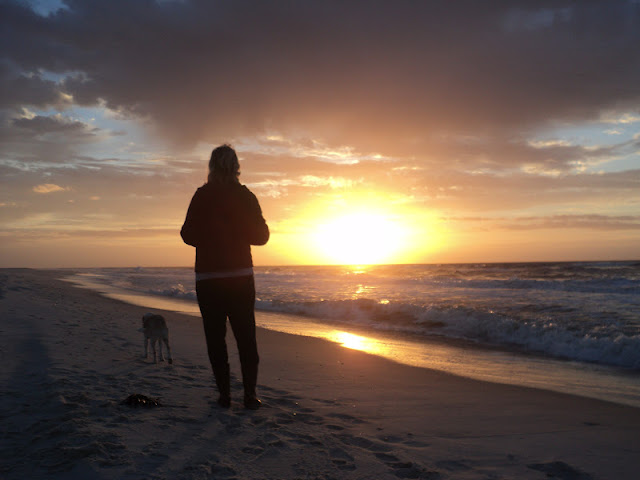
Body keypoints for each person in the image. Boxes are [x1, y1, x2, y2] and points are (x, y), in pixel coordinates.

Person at [181, 144, 269, 409]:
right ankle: (250, 396)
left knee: (215, 340)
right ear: (236, 167)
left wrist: (210, 236)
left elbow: (187, 234)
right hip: (240, 278)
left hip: (208, 279)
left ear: (211, 166)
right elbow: (262, 236)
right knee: (246, 338)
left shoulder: (202, 196)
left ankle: (224, 396)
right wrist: (238, 229)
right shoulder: (246, 196)